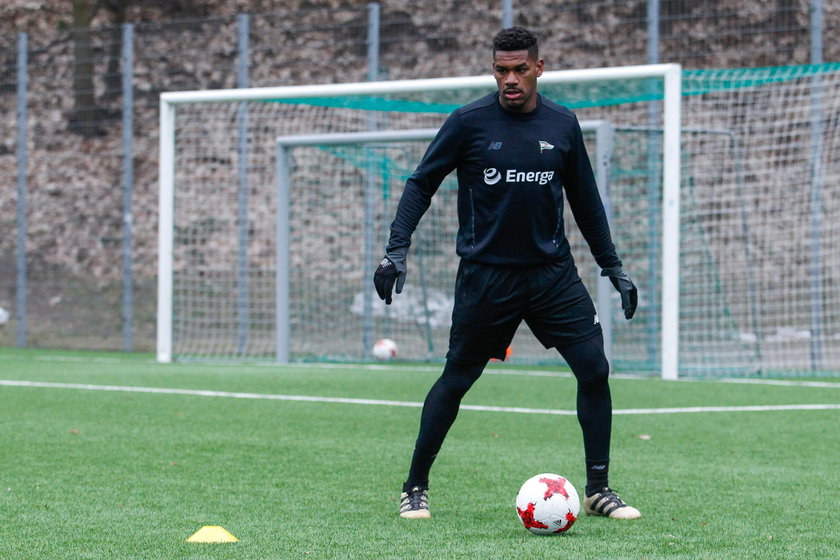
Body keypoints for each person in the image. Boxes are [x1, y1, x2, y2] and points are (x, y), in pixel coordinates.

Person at [373, 26, 640, 521]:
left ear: (539, 68)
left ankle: (599, 489)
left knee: (594, 368)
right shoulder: (469, 122)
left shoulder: (562, 124)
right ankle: (415, 486)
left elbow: (586, 200)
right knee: (457, 377)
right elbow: (420, 184)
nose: (510, 80)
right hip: (487, 276)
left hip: (552, 275)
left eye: (519, 70)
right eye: (501, 70)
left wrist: (612, 266)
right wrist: (396, 251)